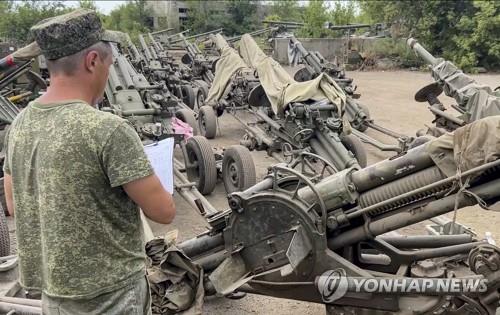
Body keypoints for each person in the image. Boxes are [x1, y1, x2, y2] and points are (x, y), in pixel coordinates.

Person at [2, 9, 175, 314]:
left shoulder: (20, 124)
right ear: (93, 61)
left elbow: (16, 205)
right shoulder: (107, 129)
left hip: (54, 296)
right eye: (109, 64)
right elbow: (163, 212)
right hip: (113, 297)